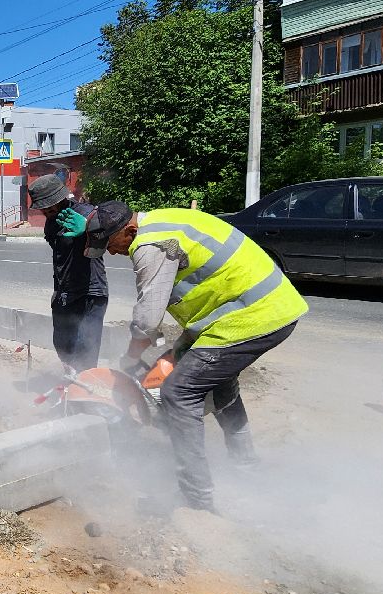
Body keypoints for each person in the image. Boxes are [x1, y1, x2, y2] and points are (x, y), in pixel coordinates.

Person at [83, 200, 308, 513]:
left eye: (110, 244)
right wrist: (170, 354)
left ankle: (196, 498)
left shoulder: (149, 245)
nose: (110, 253)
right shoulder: (163, 219)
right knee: (215, 382)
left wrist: (130, 358)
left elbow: (148, 320)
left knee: (179, 392)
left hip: (251, 315)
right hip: (252, 311)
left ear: (129, 230)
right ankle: (246, 467)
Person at [27, 173, 107, 372]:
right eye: (43, 207)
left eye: (49, 205)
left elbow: (107, 225)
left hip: (90, 292)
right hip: (64, 293)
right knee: (62, 344)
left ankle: (83, 396)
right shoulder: (51, 222)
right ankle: (71, 385)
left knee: (84, 352)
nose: (46, 210)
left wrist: (89, 227)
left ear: (61, 198)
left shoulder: (85, 212)